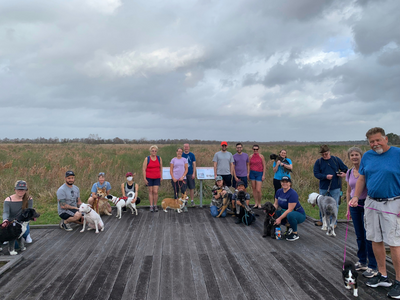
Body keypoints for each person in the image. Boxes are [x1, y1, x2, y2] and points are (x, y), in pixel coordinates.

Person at [349, 127, 400, 298]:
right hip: (371, 202)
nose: (375, 144)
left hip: (393, 202)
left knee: (394, 242)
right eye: (371, 141)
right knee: (374, 238)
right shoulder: (368, 157)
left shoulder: (397, 154)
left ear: (385, 139)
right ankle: (382, 275)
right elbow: (362, 177)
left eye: (378, 140)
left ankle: (399, 281)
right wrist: (356, 196)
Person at [346, 147, 377, 278]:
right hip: (354, 205)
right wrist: (348, 208)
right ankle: (362, 261)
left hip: (366, 204)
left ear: (361, 156)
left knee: (368, 235)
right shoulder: (349, 172)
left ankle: (373, 265)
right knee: (359, 235)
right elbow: (348, 191)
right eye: (352, 155)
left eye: (357, 155)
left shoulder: (367, 171)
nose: (354, 157)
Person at [313, 145, 348, 226]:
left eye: (326, 154)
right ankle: (323, 220)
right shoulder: (318, 162)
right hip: (324, 187)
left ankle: (333, 222)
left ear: (329, 152)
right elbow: (316, 174)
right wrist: (325, 177)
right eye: (322, 154)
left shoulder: (336, 160)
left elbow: (345, 169)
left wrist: (343, 174)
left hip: (335, 187)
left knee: (335, 205)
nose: (324, 156)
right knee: (322, 205)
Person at [273, 176, 306, 241]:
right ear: (281, 183)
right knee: (275, 214)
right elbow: (275, 204)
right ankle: (283, 230)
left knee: (290, 215)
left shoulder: (293, 193)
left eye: (286, 182)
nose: (284, 183)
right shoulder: (279, 191)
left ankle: (295, 233)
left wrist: (279, 219)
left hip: (298, 213)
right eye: (283, 182)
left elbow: (290, 209)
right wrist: (271, 213)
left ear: (290, 183)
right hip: (285, 211)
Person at [2, 180, 33, 244]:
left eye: (23, 190)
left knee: (25, 236)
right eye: (19, 189)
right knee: (15, 243)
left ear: (25, 190)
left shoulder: (29, 199)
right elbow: (6, 212)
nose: (21, 191)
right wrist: (5, 220)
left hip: (23, 222)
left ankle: (27, 234)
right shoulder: (8, 200)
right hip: (12, 222)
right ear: (15, 190)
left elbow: (29, 212)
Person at [143, 145, 163, 212]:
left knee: (156, 191)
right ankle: (151, 206)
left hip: (157, 177)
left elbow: (161, 168)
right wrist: (144, 178)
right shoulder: (147, 159)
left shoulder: (159, 158)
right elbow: (144, 169)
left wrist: (161, 176)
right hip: (149, 177)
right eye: (152, 151)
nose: (154, 152)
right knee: (150, 191)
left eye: (155, 151)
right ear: (150, 151)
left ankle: (155, 205)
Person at [249, 144, 266, 209]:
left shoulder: (261, 156)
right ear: (252, 149)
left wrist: (263, 175)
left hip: (259, 173)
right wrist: (248, 173)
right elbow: (248, 165)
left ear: (258, 150)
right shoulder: (250, 156)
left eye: (256, 149)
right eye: (254, 149)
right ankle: (256, 203)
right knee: (254, 188)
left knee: (258, 190)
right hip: (252, 173)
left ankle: (259, 203)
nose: (255, 150)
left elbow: (264, 166)